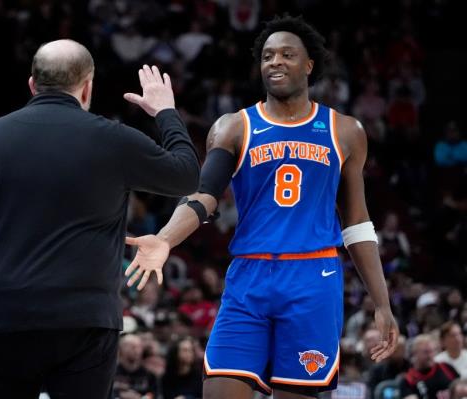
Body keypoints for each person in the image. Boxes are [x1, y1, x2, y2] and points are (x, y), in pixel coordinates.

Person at [125, 15, 399, 399]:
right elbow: (204, 196)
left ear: (309, 65)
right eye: (268, 56)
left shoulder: (345, 130)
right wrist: (166, 239)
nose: (276, 62)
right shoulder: (233, 127)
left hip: (312, 278)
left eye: (288, 54)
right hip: (248, 277)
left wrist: (382, 303)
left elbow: (356, 222)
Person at [0, 39, 200, 399]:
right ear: (87, 87)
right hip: (85, 322)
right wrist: (165, 113)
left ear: (32, 84)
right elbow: (188, 175)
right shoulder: (113, 139)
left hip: (4, 318)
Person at [400, 334, 459, 399]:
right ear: (415, 353)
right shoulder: (408, 379)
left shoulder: (446, 367)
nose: (430, 356)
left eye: (432, 351)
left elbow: (462, 386)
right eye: (426, 352)